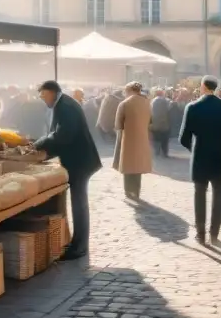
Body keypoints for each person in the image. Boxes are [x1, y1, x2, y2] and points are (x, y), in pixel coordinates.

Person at [33, 81, 101, 260]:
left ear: (53, 92)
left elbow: (63, 135)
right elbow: (60, 136)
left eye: (43, 95)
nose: (42, 99)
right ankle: (78, 244)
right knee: (79, 202)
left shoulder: (65, 107)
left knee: (79, 204)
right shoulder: (64, 104)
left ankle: (79, 247)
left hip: (80, 161)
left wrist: (39, 145)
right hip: (79, 160)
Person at [179, 76, 221, 245]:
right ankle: (214, 233)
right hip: (220, 155)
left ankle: (200, 234)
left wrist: (193, 148)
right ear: (215, 88)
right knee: (219, 193)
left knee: (199, 193)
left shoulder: (192, 107)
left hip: (200, 155)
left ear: (203, 87)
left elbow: (183, 138)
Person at [114, 82, 152, 199]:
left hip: (128, 139)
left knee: (128, 166)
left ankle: (128, 191)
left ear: (129, 90)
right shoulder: (147, 103)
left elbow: (118, 125)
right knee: (138, 166)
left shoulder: (125, 103)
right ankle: (136, 190)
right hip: (142, 138)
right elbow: (150, 121)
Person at [150, 88, 172, 157]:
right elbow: (169, 111)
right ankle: (165, 153)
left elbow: (150, 112)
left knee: (156, 138)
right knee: (164, 139)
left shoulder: (152, 101)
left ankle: (157, 151)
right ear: (162, 93)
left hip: (155, 123)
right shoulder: (166, 101)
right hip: (164, 124)